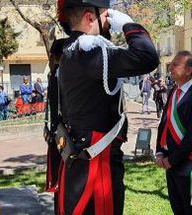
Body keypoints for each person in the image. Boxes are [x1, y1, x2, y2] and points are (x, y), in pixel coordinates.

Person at [56, 0, 159, 214]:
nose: (110, 23)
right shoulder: (91, 51)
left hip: (82, 153)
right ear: (90, 18)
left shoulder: (70, 50)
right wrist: (130, 25)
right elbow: (147, 57)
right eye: (106, 16)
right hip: (97, 161)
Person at [155, 51, 192, 215]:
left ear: (189, 70)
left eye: (175, 64)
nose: (170, 67)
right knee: (177, 209)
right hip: (171, 164)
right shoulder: (174, 91)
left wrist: (171, 160)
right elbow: (164, 124)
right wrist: (160, 152)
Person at [44, 38, 66, 214]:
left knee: (61, 183)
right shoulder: (61, 75)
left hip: (56, 133)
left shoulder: (53, 74)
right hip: (64, 137)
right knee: (64, 181)